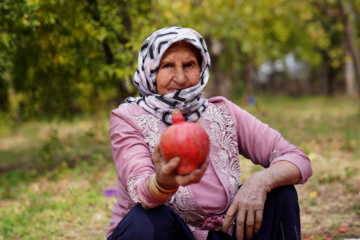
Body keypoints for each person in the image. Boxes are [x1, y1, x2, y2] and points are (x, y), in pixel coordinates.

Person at [106, 26, 313, 240]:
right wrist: (162, 184)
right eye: (167, 65)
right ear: (150, 71)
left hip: (224, 230)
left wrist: (261, 181)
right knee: (147, 219)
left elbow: (297, 159)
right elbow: (140, 188)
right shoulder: (128, 118)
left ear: (201, 68)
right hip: (166, 233)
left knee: (281, 193)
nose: (180, 77)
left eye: (189, 65)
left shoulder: (222, 111)